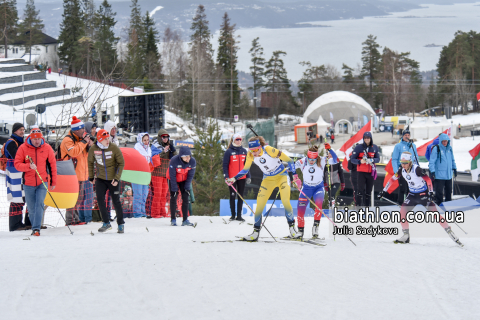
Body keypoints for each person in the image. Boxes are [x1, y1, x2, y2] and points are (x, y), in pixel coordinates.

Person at [379, 152, 462, 246]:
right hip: (412, 195)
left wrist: (431, 192)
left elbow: (428, 180)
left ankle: (450, 232)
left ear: (410, 162)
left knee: (435, 214)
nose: (403, 165)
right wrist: (384, 190)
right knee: (402, 212)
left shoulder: (417, 169)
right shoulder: (401, 170)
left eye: (405, 162)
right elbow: (392, 179)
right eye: (402, 162)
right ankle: (406, 235)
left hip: (423, 195)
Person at [227, 136, 301, 241]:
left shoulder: (269, 150)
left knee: (285, 201)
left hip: (281, 176)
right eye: (251, 151)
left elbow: (289, 160)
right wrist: (233, 179)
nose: (254, 153)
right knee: (259, 206)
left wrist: (295, 176)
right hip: (267, 179)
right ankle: (255, 233)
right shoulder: (250, 154)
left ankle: (293, 230)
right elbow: (245, 170)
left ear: (260, 147)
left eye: (256, 150)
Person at [14, 128, 57, 236]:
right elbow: (17, 164)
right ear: (31, 139)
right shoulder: (23, 148)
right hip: (28, 183)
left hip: (42, 182)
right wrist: (28, 166)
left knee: (40, 204)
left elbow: (52, 165)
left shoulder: (47, 148)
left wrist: (53, 181)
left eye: (39, 139)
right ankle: (35, 227)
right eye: (35, 139)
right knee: (31, 207)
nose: (37, 141)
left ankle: (36, 229)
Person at [294, 144, 336, 239]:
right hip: (306, 188)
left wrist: (330, 149)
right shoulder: (303, 161)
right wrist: (295, 177)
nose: (312, 161)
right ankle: (300, 231)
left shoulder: (322, 160)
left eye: (314, 159)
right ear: (307, 157)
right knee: (300, 210)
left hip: (318, 187)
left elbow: (336, 160)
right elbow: (292, 166)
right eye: (310, 159)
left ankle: (315, 228)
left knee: (318, 205)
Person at [88, 129, 125, 233]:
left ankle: (121, 224)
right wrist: (91, 177)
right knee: (100, 199)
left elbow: (121, 163)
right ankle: (106, 222)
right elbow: (90, 162)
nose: (107, 141)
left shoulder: (113, 147)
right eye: (105, 139)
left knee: (116, 201)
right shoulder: (93, 149)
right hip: (101, 179)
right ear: (99, 140)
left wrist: (117, 178)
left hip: (113, 179)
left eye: (108, 138)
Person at [60, 116, 94, 225]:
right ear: (76, 130)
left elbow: (87, 154)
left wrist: (90, 145)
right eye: (82, 129)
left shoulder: (81, 139)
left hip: (82, 174)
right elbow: (74, 152)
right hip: (71, 174)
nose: (84, 131)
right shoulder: (68, 140)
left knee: (78, 199)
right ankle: (70, 221)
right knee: (71, 199)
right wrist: (84, 142)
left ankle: (76, 219)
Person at [4, 123, 31, 231]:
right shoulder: (11, 142)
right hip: (14, 173)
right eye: (20, 130)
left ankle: (25, 223)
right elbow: (17, 157)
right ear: (15, 131)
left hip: (21, 172)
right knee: (16, 198)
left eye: (23, 129)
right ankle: (15, 225)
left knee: (24, 197)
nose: (22, 132)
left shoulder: (21, 142)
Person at [149, 129, 177, 218]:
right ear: (160, 137)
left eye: (167, 137)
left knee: (164, 194)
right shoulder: (155, 146)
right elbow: (153, 159)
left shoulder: (169, 146)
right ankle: (155, 213)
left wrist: (173, 150)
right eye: (163, 137)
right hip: (156, 173)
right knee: (157, 194)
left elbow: (176, 158)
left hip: (165, 173)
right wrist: (163, 152)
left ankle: (162, 212)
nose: (165, 139)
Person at [223, 133, 250, 222]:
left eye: (240, 139)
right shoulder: (228, 151)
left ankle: (239, 216)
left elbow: (247, 165)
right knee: (232, 196)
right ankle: (233, 215)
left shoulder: (244, 151)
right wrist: (226, 177)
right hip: (232, 178)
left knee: (240, 196)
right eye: (237, 139)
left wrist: (248, 176)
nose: (238, 141)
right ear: (233, 140)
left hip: (242, 178)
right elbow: (225, 165)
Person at [167, 146, 196, 226]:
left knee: (186, 198)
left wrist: (187, 187)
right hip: (173, 179)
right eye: (186, 157)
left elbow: (190, 176)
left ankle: (185, 220)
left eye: (189, 156)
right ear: (181, 156)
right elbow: (172, 176)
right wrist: (174, 188)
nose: (188, 158)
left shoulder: (192, 161)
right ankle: (173, 219)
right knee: (173, 197)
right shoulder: (174, 160)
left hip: (184, 180)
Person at [351, 131, 380, 207]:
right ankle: (358, 208)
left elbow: (378, 159)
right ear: (363, 139)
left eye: (368, 138)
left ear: (370, 138)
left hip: (371, 172)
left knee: (368, 192)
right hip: (361, 172)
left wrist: (372, 160)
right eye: (365, 138)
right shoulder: (358, 147)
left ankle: (367, 208)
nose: (366, 139)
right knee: (360, 191)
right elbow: (352, 159)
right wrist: (360, 161)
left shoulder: (375, 147)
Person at [428, 133, 457, 204]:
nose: (444, 142)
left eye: (446, 141)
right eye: (443, 141)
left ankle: (448, 206)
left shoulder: (449, 149)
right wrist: (432, 171)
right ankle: (439, 206)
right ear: (440, 141)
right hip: (439, 175)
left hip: (449, 175)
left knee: (449, 192)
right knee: (439, 192)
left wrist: (454, 168)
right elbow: (432, 161)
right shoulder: (436, 148)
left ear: (448, 141)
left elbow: (452, 160)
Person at [392, 129, 418, 204]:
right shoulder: (398, 146)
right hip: (402, 169)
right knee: (402, 188)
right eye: (405, 135)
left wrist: (417, 168)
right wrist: (396, 171)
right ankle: (400, 204)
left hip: (411, 169)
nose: (407, 137)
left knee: (411, 188)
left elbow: (416, 157)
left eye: (408, 135)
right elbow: (394, 159)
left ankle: (409, 204)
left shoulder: (413, 145)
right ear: (403, 136)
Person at [132, 132, 151, 218]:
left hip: (145, 173)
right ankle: (137, 213)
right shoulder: (137, 148)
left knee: (144, 194)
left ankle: (142, 212)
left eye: (147, 140)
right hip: (137, 173)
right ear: (140, 140)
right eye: (144, 140)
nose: (146, 142)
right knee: (138, 194)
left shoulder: (148, 149)